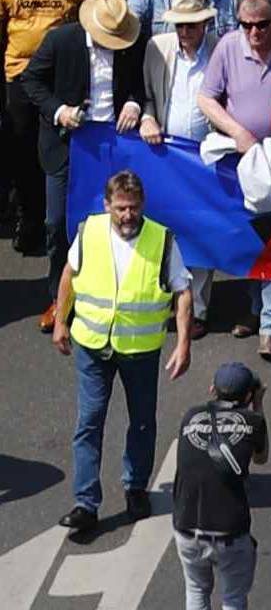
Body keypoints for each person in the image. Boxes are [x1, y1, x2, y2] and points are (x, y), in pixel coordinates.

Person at [52, 159, 193, 540]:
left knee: (142, 422)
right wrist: (61, 320)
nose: (127, 214)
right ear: (106, 205)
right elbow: (70, 274)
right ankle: (86, 504)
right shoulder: (91, 231)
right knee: (89, 423)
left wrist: (183, 343)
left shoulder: (162, 240)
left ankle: (135, 489)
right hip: (92, 345)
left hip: (140, 350)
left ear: (142, 204)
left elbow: (182, 291)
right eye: (120, 207)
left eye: (133, 207)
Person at [173, 361, 268, 610]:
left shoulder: (189, 417)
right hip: (229, 532)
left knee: (196, 591)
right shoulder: (253, 422)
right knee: (233, 602)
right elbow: (261, 459)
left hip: (186, 525)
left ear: (212, 390)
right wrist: (258, 408)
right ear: (248, 394)